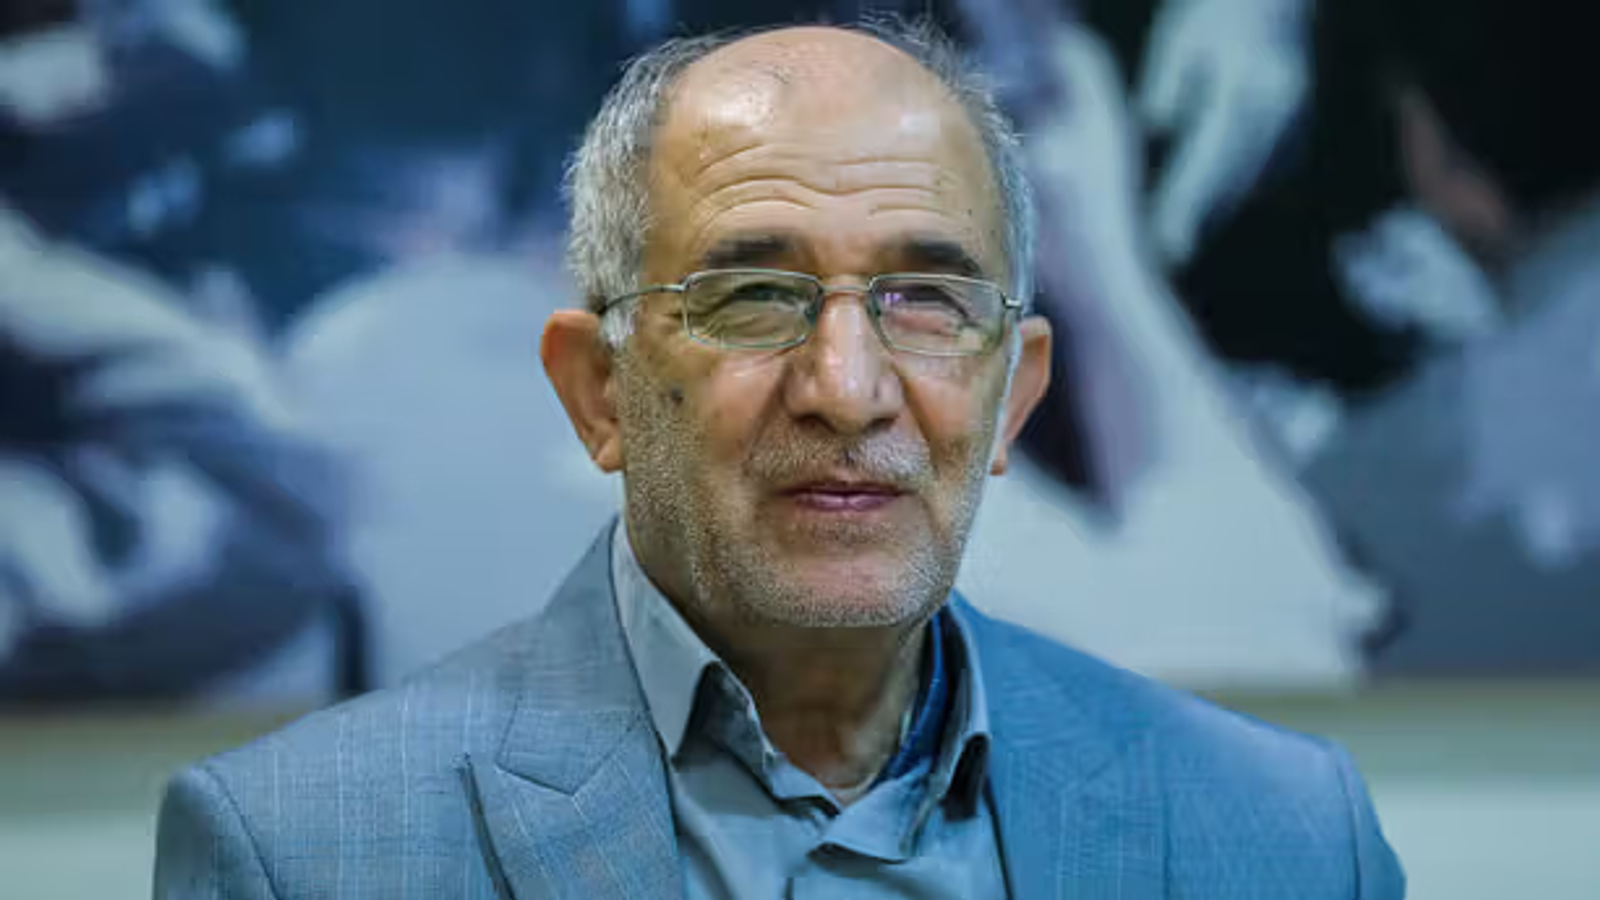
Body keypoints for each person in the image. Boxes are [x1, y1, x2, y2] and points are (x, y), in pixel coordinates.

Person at [153, 20, 1404, 898]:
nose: (847, 391)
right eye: (752, 297)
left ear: (1012, 397)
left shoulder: (1282, 839)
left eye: (925, 300)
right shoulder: (303, 856)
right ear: (597, 391)